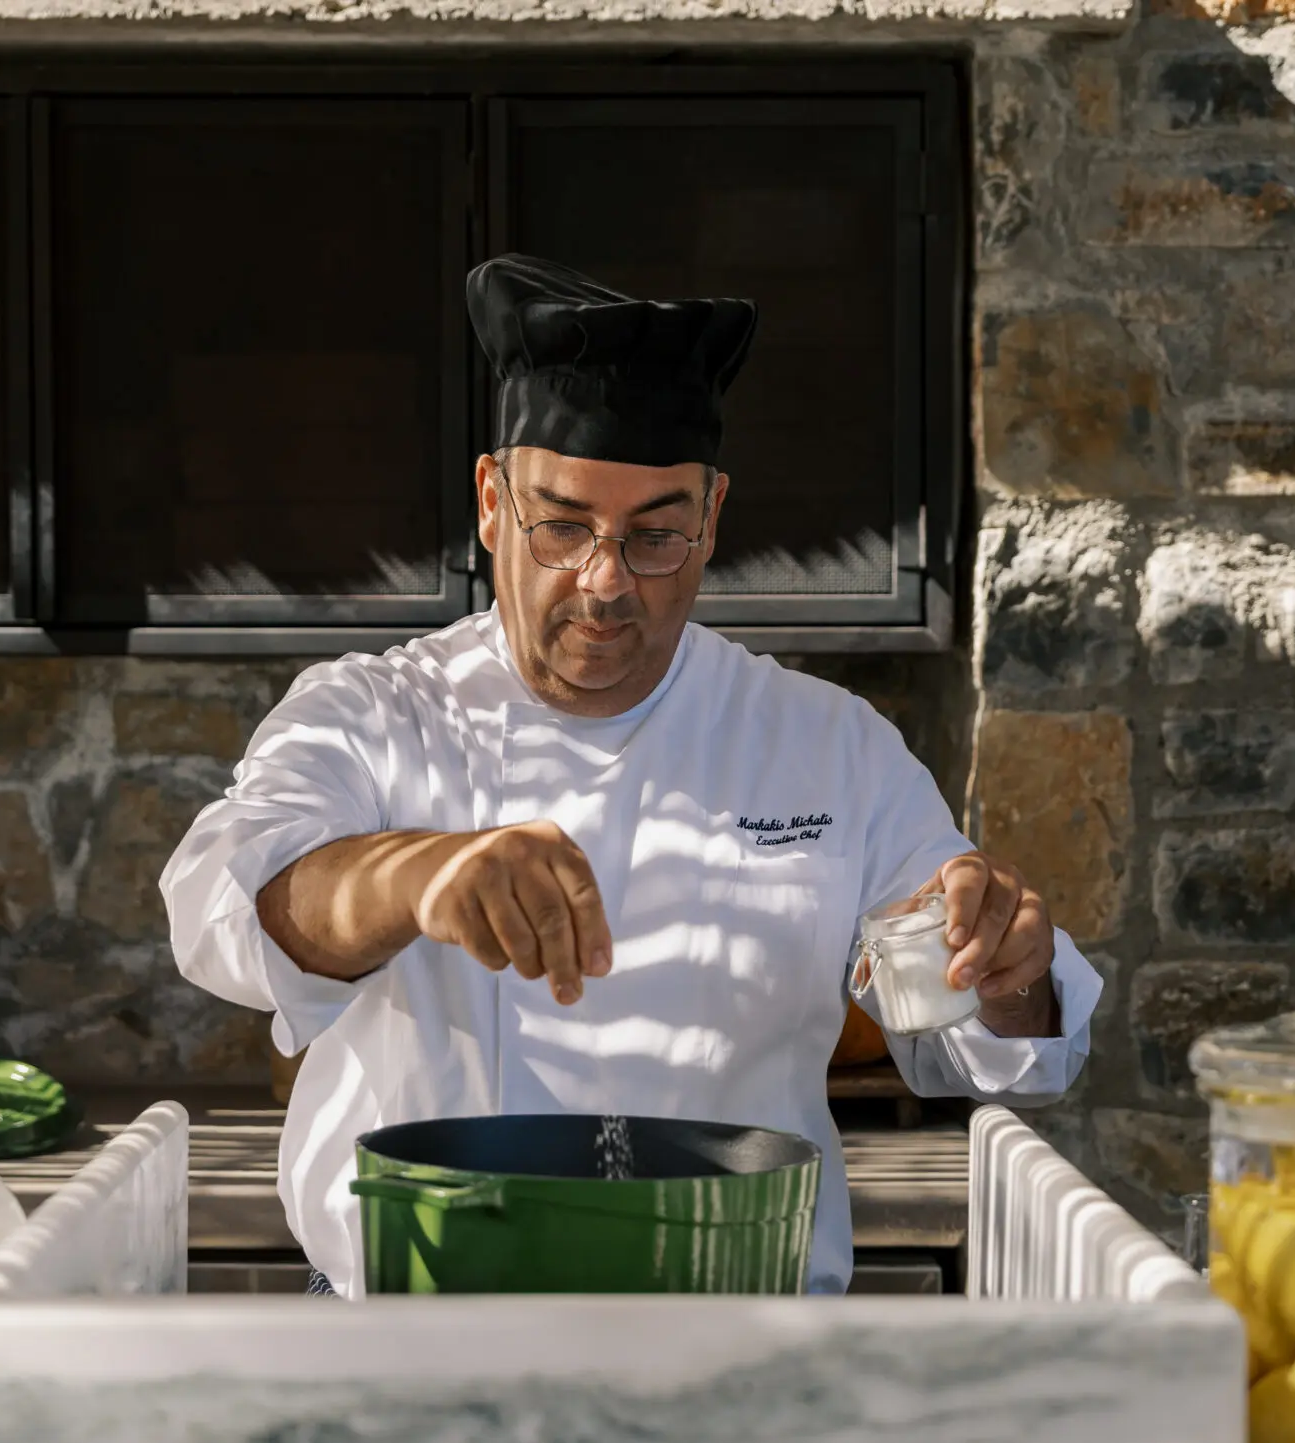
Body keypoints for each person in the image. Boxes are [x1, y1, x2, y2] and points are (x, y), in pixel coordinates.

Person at [161, 254, 1099, 1298]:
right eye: (563, 526)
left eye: (655, 535)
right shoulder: (374, 714)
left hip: (737, 1329)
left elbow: (975, 1046)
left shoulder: (828, 744)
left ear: (713, 517)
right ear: (492, 502)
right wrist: (414, 876)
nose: (605, 581)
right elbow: (219, 916)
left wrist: (1010, 972)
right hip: (420, 1325)